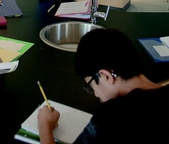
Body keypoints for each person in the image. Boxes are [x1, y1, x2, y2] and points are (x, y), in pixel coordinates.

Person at [37, 28, 169, 144]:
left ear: (106, 76)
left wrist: (45, 126)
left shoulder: (112, 118)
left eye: (91, 85)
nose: (96, 94)